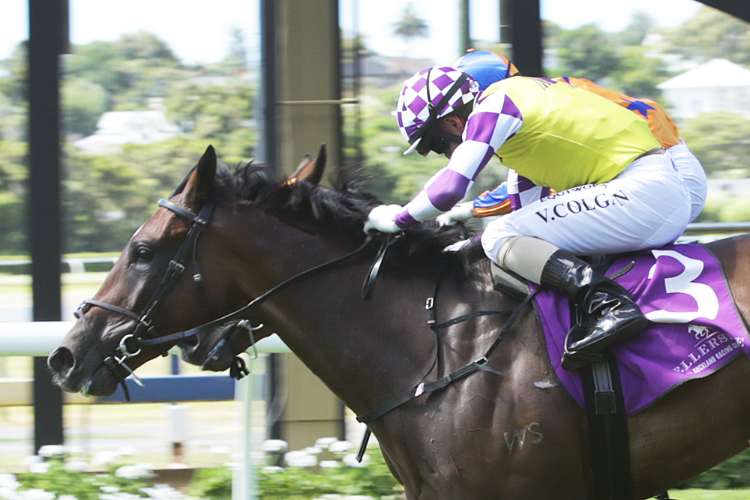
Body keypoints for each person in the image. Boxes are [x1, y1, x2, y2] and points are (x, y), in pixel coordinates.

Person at [364, 52, 707, 369]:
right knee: (503, 236)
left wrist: (397, 218)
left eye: (437, 145)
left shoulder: (497, 103)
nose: (444, 154)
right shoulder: (525, 133)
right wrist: (467, 242)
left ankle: (609, 305)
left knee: (500, 234)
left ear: (453, 123)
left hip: (646, 190)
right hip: (651, 189)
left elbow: (451, 186)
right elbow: (527, 216)